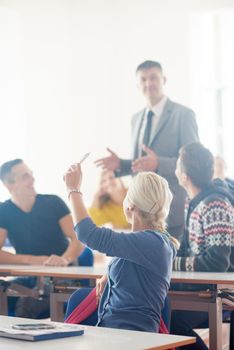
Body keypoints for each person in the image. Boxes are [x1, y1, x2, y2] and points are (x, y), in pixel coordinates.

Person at [64, 163, 179, 332]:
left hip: (130, 336)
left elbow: (88, 234)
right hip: (114, 332)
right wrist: (109, 274)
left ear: (130, 205)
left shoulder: (152, 242)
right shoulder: (152, 241)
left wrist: (73, 190)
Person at [95, 60, 199, 240]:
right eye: (143, 79)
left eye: (153, 78)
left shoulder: (183, 115)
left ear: (163, 80)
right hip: (141, 212)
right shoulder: (136, 119)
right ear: (137, 85)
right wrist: (122, 165)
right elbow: (143, 163)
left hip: (171, 210)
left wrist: (159, 163)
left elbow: (192, 162)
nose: (148, 83)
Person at [0, 159, 84, 317]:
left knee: (26, 308)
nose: (33, 179)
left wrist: (64, 259)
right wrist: (32, 259)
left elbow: (79, 238)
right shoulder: (3, 211)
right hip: (29, 277)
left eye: (31, 175)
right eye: (26, 176)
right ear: (9, 185)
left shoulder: (53, 203)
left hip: (61, 276)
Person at [170, 142, 234, 350]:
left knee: (170, 321)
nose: (175, 169)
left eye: (178, 166)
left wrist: (173, 263)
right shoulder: (195, 202)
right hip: (200, 288)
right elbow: (184, 248)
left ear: (184, 176)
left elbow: (216, 262)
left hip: (219, 293)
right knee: (158, 312)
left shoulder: (215, 204)